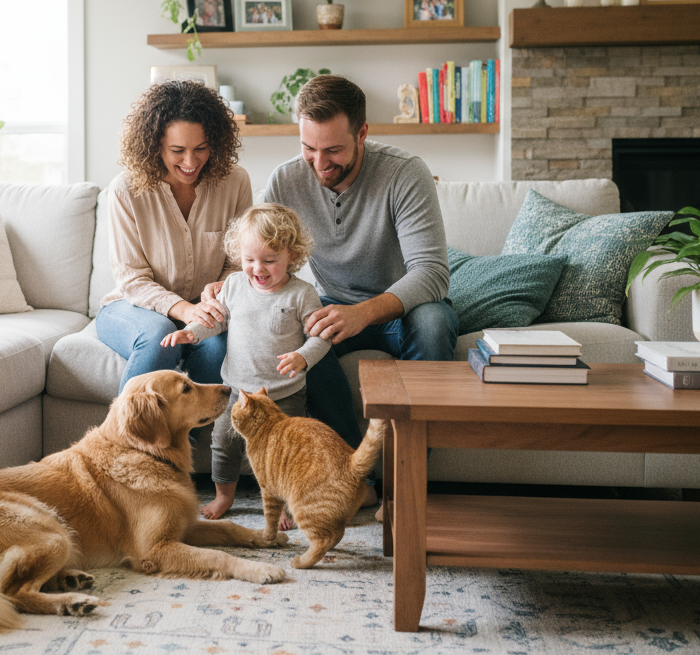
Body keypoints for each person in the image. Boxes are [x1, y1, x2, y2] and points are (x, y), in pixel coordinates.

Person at [261, 74, 459, 519]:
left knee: (435, 322)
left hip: (402, 307)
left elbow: (431, 273)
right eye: (308, 148)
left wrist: (363, 313)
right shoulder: (286, 181)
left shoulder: (403, 172)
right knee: (302, 336)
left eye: (332, 150)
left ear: (363, 133)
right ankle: (354, 485)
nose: (319, 162)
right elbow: (263, 258)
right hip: (333, 304)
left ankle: (406, 485)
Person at [161, 203, 329, 523]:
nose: (258, 269)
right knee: (224, 444)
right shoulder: (235, 285)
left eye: (269, 260)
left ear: (292, 255)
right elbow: (216, 321)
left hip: (285, 393)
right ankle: (224, 497)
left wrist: (303, 357)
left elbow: (321, 337)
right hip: (237, 392)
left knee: (285, 454)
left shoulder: (302, 294)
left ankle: (283, 505)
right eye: (250, 260)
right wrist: (191, 333)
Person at [96, 80, 252, 394]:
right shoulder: (126, 189)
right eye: (177, 151)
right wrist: (184, 309)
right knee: (160, 337)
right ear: (155, 146)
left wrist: (219, 291)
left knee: (216, 348)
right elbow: (131, 279)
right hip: (133, 307)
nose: (191, 162)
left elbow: (239, 263)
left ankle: (185, 443)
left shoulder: (235, 182)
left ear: (216, 143)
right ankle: (118, 442)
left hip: (206, 309)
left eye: (201, 148)